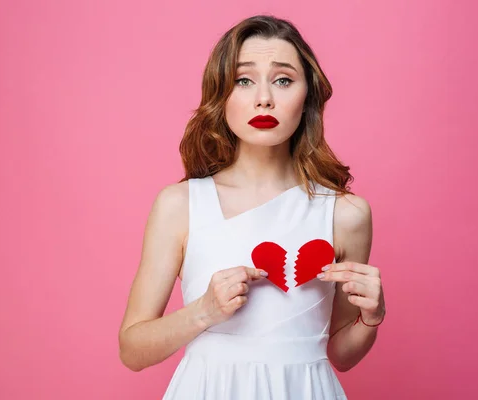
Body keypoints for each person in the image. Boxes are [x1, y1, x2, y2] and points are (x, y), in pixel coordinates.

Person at [118, 14, 387, 399]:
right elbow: (132, 350)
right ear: (222, 94)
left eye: (283, 80)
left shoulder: (347, 214)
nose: (264, 97)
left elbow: (340, 355)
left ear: (306, 96)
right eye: (244, 80)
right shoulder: (180, 205)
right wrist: (205, 311)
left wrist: (371, 319)